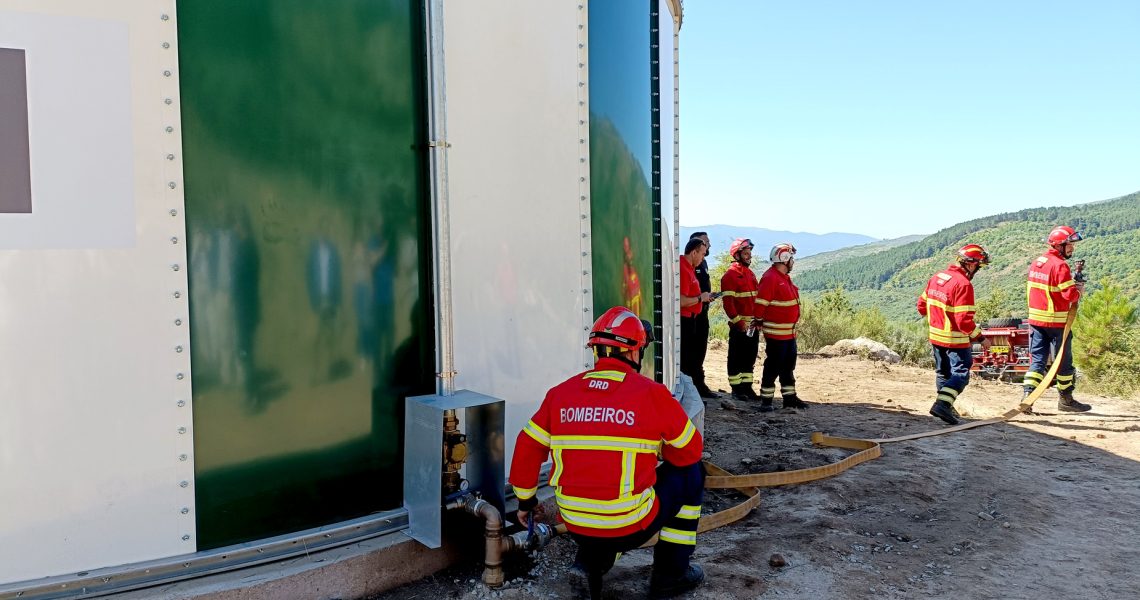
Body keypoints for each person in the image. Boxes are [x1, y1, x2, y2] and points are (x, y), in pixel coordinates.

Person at [510, 307, 705, 599]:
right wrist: (657, 452)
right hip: (629, 523)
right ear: (634, 351)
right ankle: (671, 573)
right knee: (692, 474)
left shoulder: (560, 393)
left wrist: (526, 501)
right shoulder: (651, 393)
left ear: (598, 351)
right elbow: (690, 452)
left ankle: (587, 566)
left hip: (575, 521)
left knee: (599, 504)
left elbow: (526, 446)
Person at [917, 244, 990, 425]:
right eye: (979, 267)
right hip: (954, 340)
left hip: (936, 336)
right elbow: (964, 321)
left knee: (943, 372)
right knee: (961, 374)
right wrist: (981, 338)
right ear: (971, 265)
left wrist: (938, 318)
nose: (978, 271)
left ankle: (946, 406)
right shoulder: (963, 285)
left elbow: (921, 306)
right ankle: (942, 404)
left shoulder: (937, 277)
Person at [1024, 226, 1090, 412]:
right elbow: (1070, 295)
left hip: (1036, 321)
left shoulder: (1038, 262)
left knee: (1037, 361)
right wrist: (1079, 291)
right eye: (1069, 245)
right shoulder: (1059, 265)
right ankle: (1066, 400)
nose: (1072, 249)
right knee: (1064, 362)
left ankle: (1027, 398)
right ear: (1060, 245)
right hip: (1057, 322)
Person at [755, 243, 808, 411]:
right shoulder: (771, 278)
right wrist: (758, 321)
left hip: (789, 334)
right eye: (791, 258)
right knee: (773, 366)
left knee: (788, 367)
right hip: (776, 334)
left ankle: (790, 399)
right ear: (784, 259)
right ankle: (766, 401)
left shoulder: (783, 277)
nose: (793, 262)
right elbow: (760, 305)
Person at [720, 238, 760, 401]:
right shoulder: (730, 276)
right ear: (736, 255)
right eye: (745, 253)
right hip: (740, 327)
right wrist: (739, 322)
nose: (749, 256)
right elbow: (728, 304)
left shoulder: (750, 274)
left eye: (749, 253)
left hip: (753, 326)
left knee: (749, 357)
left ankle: (747, 387)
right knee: (736, 357)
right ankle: (736, 389)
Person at [689, 232, 719, 398]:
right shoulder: (689, 265)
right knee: (693, 351)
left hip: (703, 310)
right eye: (705, 243)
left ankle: (700, 384)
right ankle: (696, 386)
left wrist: (708, 296)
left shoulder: (704, 263)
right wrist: (701, 297)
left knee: (701, 349)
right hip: (693, 313)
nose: (708, 245)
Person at [679, 239, 712, 389]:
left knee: (691, 358)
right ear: (694, 252)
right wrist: (700, 298)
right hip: (685, 321)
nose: (703, 258)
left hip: (691, 319)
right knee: (686, 360)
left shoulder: (690, 268)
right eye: (702, 254)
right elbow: (681, 301)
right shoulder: (683, 269)